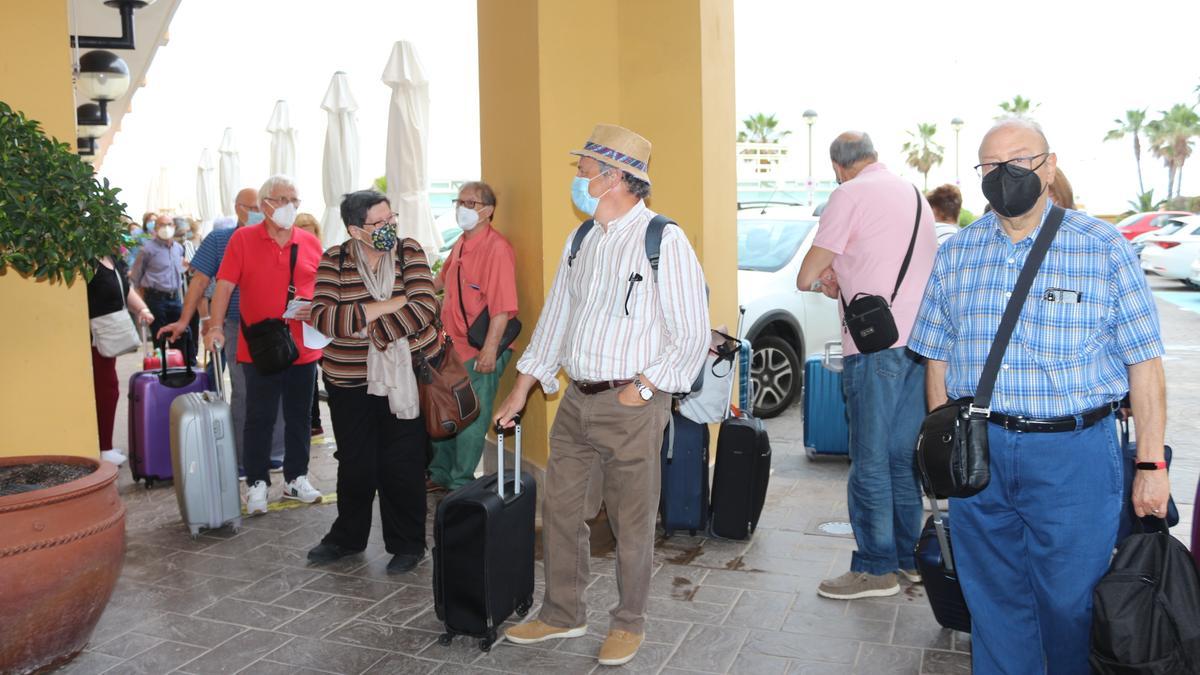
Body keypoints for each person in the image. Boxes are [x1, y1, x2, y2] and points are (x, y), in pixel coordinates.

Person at [908, 117, 1169, 674]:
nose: (1005, 175)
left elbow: (1145, 363)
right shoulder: (958, 254)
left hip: (1074, 456)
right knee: (993, 600)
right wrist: (944, 448)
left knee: (1071, 603)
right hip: (983, 452)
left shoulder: (1101, 248)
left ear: (1049, 166)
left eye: (1019, 161)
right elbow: (937, 354)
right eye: (990, 166)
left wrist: (1151, 463)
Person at [494, 124, 710, 667]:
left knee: (632, 523)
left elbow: (692, 334)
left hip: (631, 406)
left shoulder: (664, 240)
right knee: (562, 511)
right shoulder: (582, 239)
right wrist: (521, 389)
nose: (578, 178)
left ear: (615, 177)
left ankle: (629, 623)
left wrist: (643, 389)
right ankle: (563, 614)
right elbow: (556, 319)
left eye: (584, 169)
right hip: (575, 402)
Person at [796, 131, 937, 601]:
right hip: (920, 345)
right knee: (901, 458)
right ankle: (905, 559)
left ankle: (875, 568)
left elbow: (806, 274)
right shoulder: (914, 194)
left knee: (870, 459)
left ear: (839, 167)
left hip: (875, 346)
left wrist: (826, 280)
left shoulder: (848, 194)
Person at [305, 190, 441, 574]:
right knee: (356, 464)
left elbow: (425, 307)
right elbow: (324, 318)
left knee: (403, 464)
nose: (389, 228)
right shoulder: (335, 258)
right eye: (379, 224)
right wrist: (390, 305)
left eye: (391, 219)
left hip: (403, 380)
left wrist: (368, 326)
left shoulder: (408, 251)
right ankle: (347, 538)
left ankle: (408, 544)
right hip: (348, 383)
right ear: (355, 230)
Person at [204, 175, 325, 514]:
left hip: (302, 345)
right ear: (266, 203)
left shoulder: (310, 243)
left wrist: (317, 308)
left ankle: (296, 478)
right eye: (284, 199)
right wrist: (215, 327)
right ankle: (257, 483)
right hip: (260, 347)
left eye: (295, 199)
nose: (291, 206)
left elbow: (324, 288)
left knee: (299, 417)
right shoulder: (243, 240)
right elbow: (224, 287)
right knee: (259, 416)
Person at [159, 190, 287, 475]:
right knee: (243, 391)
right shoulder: (219, 240)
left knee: (277, 389)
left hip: (276, 327)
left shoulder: (279, 235)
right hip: (235, 324)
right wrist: (185, 320)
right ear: (237, 208)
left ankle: (276, 452)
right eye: (250, 207)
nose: (257, 211)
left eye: (261, 206)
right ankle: (243, 457)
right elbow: (200, 280)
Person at [427, 181, 518, 492]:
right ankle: (439, 474)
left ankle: (460, 482)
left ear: (487, 211)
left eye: (470, 203)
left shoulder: (497, 249)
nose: (461, 209)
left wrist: (490, 351)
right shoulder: (461, 245)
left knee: (470, 417)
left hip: (480, 349)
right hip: (450, 347)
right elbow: (439, 281)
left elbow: (502, 309)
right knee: (444, 408)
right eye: (459, 202)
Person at [88, 253, 155, 466]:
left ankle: (105, 444)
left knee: (108, 390)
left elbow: (126, 289)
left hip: (110, 334)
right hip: (96, 336)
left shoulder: (110, 258)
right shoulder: (86, 260)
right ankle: (103, 448)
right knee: (107, 390)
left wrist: (142, 309)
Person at [131, 214, 190, 363]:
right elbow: (136, 278)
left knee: (179, 337)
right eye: (162, 225)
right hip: (155, 299)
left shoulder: (178, 248)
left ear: (174, 227)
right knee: (160, 339)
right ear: (155, 229)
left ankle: (180, 370)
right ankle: (161, 371)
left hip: (175, 298)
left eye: (169, 224)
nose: (166, 228)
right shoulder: (147, 250)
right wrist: (142, 305)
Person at [294, 211, 325, 436]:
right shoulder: (290, 257)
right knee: (309, 373)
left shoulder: (322, 256)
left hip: (321, 321)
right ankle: (313, 421)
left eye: (311, 236)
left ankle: (314, 420)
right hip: (299, 324)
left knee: (324, 369)